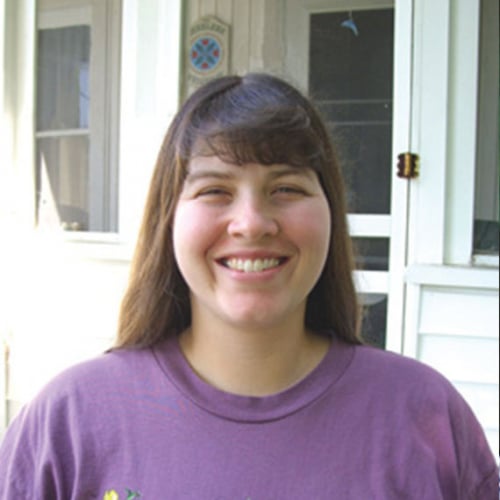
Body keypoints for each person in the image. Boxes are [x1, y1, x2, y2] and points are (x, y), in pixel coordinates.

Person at [0, 73, 497, 499]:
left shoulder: (424, 414)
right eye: (215, 190)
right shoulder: (70, 422)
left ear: (331, 213)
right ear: (167, 220)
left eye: (287, 188)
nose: (252, 222)